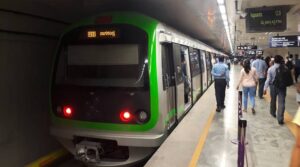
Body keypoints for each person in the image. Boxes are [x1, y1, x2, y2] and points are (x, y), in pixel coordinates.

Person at [263, 55, 286, 125]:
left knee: (273, 100)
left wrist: (265, 88)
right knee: (281, 102)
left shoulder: (270, 69)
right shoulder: (285, 68)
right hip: (282, 87)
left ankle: (273, 113)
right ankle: (280, 119)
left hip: (273, 86)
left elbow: (268, 79)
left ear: (274, 61)